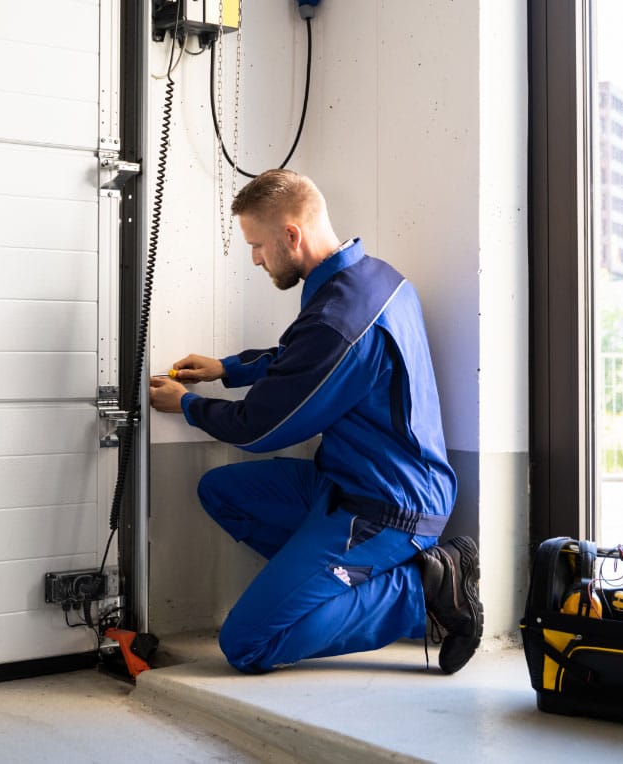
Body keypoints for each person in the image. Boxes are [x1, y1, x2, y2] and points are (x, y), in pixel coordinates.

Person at [148, 169, 483, 675]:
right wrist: (227, 369)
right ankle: (333, 586)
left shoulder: (341, 320)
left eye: (257, 245)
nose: (256, 258)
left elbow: (258, 429)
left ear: (291, 235)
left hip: (388, 508)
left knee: (247, 644)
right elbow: (301, 358)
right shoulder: (373, 278)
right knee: (221, 492)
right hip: (344, 483)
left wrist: (189, 405)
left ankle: (421, 592)